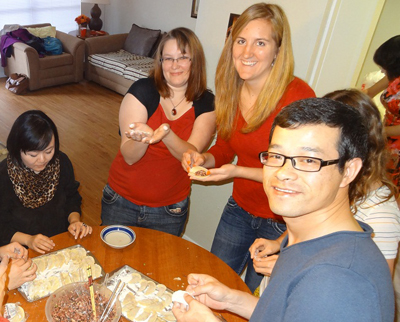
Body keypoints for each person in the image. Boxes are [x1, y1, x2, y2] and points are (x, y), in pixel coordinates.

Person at [172, 98, 394, 322]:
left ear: (348, 170)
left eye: (308, 159)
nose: (283, 173)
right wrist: (232, 300)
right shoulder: (308, 239)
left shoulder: (337, 279)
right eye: (277, 157)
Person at [181, 3, 315, 292]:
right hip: (239, 209)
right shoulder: (230, 88)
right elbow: (226, 147)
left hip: (282, 222)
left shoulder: (297, 96)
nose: (247, 52)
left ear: (278, 50)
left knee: (260, 298)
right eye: (241, 41)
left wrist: (236, 171)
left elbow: (293, 171)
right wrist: (202, 159)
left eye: (260, 43)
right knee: (212, 283)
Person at [249, 89, 400, 296]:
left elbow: (371, 287)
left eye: (309, 159)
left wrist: (288, 270)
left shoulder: (381, 214)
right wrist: (278, 243)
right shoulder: (323, 186)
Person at [101, 27, 215, 236]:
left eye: (182, 58)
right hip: (121, 201)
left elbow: (190, 158)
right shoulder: (141, 91)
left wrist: (165, 133)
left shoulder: (207, 103)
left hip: (170, 209)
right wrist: (145, 138)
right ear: (160, 62)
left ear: (195, 61)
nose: (174, 65)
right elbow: (129, 157)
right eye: (168, 58)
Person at [0, 110, 92, 254]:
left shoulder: (61, 162)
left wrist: (74, 221)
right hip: (21, 250)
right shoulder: (3, 176)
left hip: (60, 241)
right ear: (17, 149)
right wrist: (28, 240)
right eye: (33, 155)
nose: (42, 159)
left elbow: (71, 197)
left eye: (49, 151)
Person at [373, 35, 400, 187]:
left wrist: (379, 131)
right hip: (388, 137)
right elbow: (370, 92)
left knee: (392, 187)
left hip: (396, 142)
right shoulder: (394, 76)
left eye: (385, 67)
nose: (382, 71)